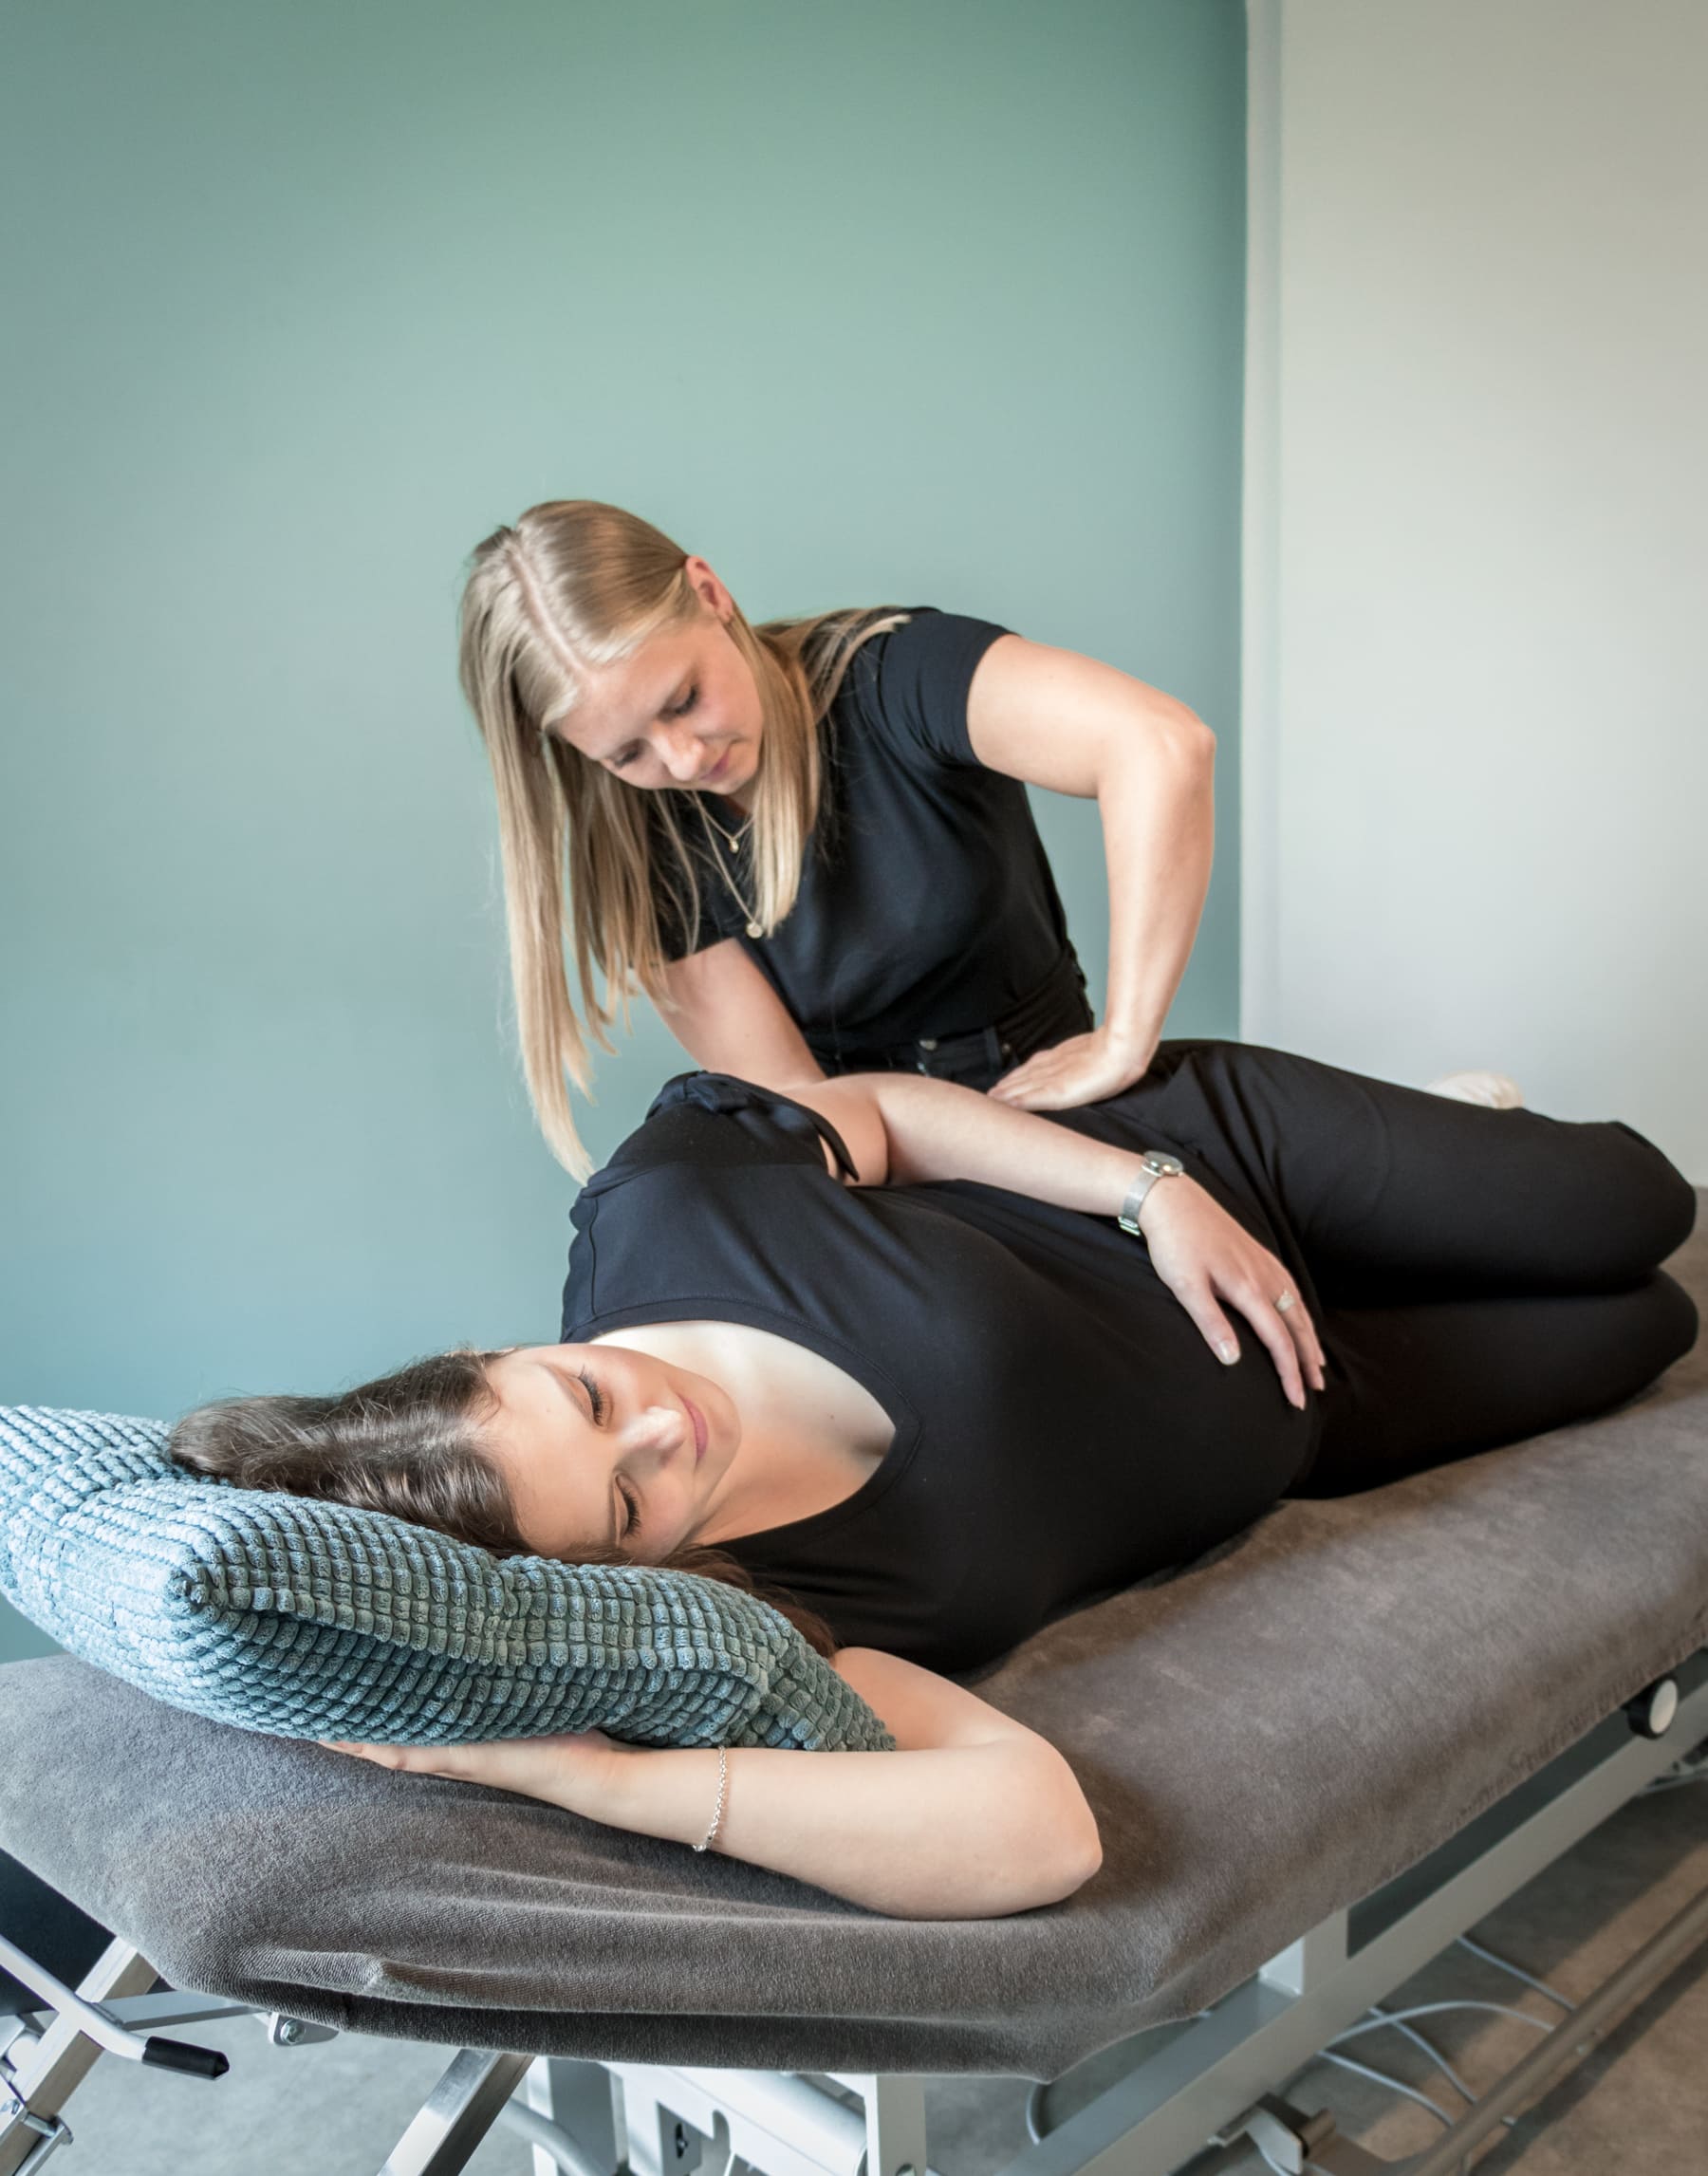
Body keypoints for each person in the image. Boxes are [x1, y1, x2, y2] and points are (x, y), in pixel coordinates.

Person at [173, 1045, 1698, 1919]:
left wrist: (1152, 1191)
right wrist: (595, 1779)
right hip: (1313, 1407)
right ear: (614, 1573)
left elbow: (891, 1118)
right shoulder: (763, 1608)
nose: (665, 1433)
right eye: (630, 1504)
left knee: (1641, 1207)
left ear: (496, 1347)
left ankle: (1446, 1128)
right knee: (1653, 1325)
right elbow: (1044, 1834)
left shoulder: (667, 1206)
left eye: (590, 1394)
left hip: (1211, 1170)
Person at [457, 500, 1216, 1173]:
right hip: (880, 1173)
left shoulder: (898, 676)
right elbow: (805, 1109)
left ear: (711, 593)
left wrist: (1127, 1038)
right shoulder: (646, 847)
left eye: (684, 698)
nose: (683, 760)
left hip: (1073, 1134)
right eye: (627, 754)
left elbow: (1163, 745)